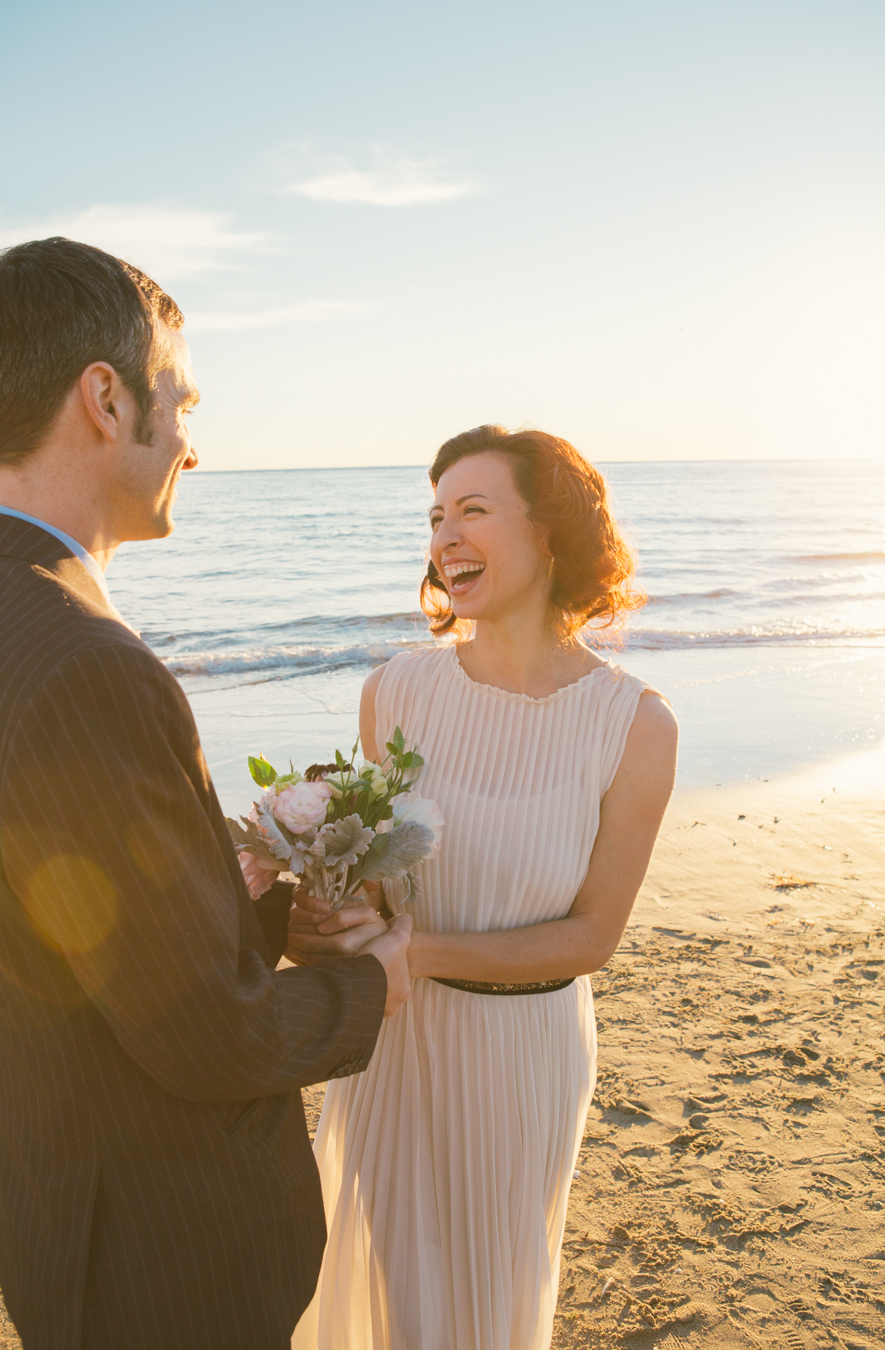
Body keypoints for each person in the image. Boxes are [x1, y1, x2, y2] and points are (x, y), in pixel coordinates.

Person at [0, 237, 411, 1350]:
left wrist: (253, 904)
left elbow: (63, 939)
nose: (192, 443)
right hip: (157, 1258)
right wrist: (379, 982)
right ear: (106, 399)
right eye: (182, 399)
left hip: (57, 1212)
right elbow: (202, 1038)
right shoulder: (83, 659)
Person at [288, 425, 678, 1350]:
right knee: (391, 1286)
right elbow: (378, 894)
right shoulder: (396, 692)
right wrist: (331, 914)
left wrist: (415, 953)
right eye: (434, 518)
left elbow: (591, 938)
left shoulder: (634, 724)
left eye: (472, 511)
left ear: (550, 533)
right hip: (395, 1044)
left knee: (490, 1298)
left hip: (524, 1050)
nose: (445, 538)